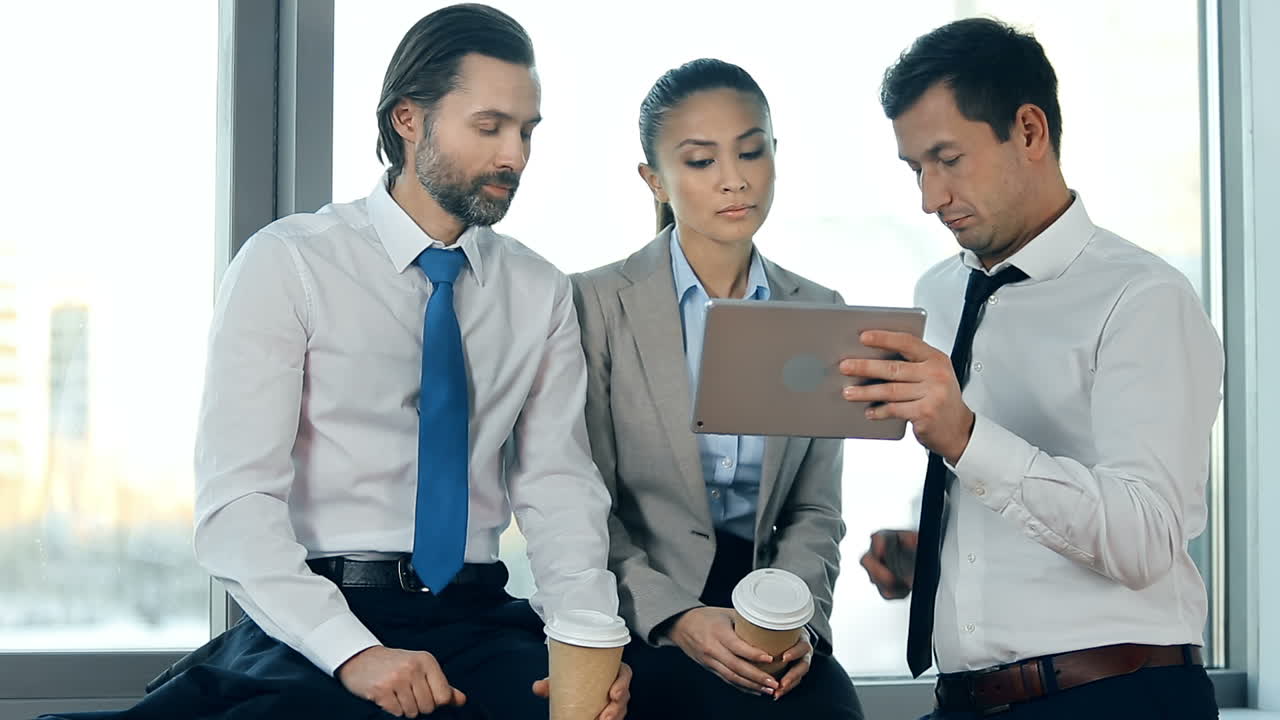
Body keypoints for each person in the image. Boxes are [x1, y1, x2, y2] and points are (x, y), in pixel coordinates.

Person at [40, 5, 630, 719]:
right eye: (490, 126)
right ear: (408, 120)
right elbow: (237, 506)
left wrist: (588, 644)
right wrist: (354, 652)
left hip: (480, 617)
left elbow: (558, 489)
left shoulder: (539, 291)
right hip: (321, 620)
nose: (516, 155)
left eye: (527, 131)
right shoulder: (288, 264)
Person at [842, 17, 1223, 719]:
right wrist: (939, 555)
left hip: (1114, 699)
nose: (930, 197)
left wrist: (962, 435)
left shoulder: (1143, 299)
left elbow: (1144, 539)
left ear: (1028, 130)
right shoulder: (939, 292)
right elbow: (1023, 501)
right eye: (915, 169)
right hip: (964, 703)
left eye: (947, 158)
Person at [571, 58, 863, 720]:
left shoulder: (820, 311)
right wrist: (676, 618)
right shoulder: (595, 304)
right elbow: (583, 506)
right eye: (701, 161)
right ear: (655, 180)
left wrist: (798, 626)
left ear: (775, 157)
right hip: (646, 614)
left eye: (752, 152)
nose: (735, 179)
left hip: (774, 622)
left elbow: (815, 511)